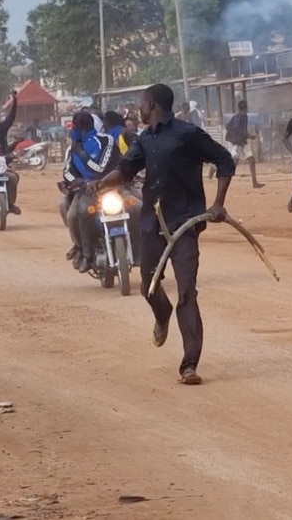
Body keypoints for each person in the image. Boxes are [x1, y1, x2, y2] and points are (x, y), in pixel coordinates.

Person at [92, 83, 233, 385]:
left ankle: (189, 365)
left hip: (184, 224)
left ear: (151, 103)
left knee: (187, 292)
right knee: (149, 288)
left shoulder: (188, 134)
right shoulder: (144, 139)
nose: (138, 109)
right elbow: (126, 169)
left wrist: (218, 203)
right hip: (152, 224)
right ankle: (161, 314)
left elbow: (224, 160)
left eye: (141, 103)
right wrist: (103, 183)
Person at [63, 111, 119, 271]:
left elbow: (101, 168)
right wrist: (77, 181)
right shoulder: (71, 149)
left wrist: (82, 153)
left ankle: (144, 252)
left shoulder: (105, 140)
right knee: (77, 212)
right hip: (86, 191)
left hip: (111, 185)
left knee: (137, 207)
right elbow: (67, 171)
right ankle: (85, 252)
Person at [225, 100, 264, 189]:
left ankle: (255, 182)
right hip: (239, 143)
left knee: (251, 160)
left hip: (241, 142)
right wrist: (249, 136)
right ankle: (216, 169)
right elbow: (239, 129)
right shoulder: (243, 116)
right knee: (233, 163)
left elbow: (228, 127)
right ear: (246, 108)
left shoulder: (236, 116)